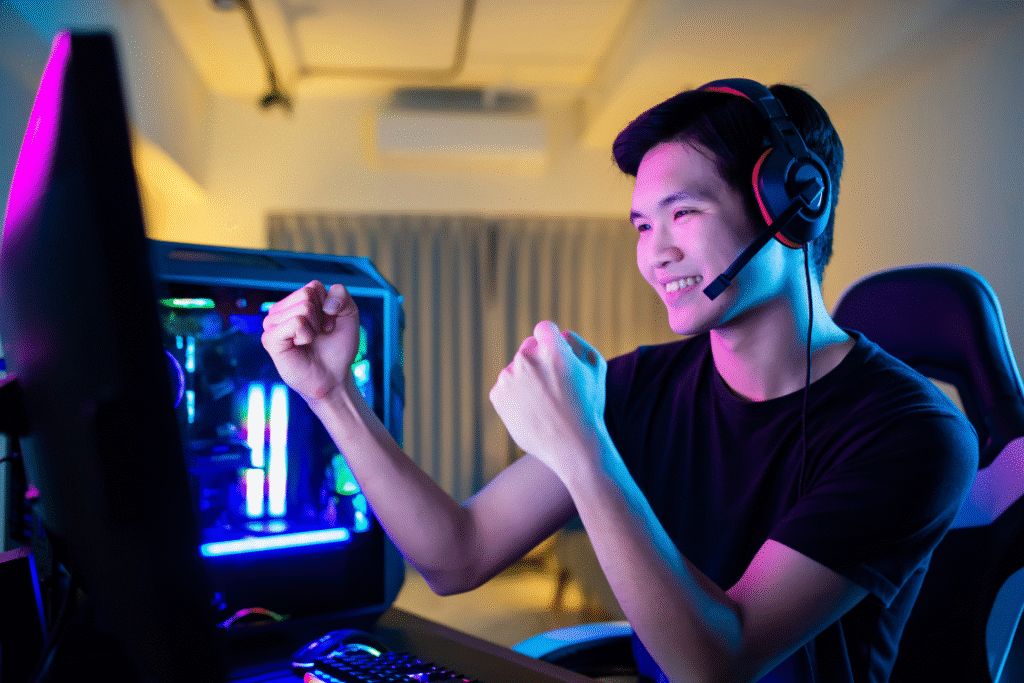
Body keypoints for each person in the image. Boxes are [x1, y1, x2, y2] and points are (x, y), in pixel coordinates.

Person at [262, 80, 977, 683]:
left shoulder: (915, 433)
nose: (655, 254)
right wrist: (332, 393)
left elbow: (717, 662)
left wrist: (584, 447)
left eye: (684, 213)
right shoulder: (640, 383)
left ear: (792, 207)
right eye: (640, 225)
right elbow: (456, 554)